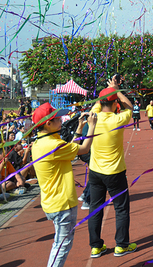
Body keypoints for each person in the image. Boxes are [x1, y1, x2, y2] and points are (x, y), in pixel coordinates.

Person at [31, 103, 95, 267]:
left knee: (61, 243)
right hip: (61, 203)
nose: (61, 121)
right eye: (57, 119)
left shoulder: (42, 141)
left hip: (52, 201)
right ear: (48, 124)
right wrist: (92, 127)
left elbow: (71, 147)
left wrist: (80, 127)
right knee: (62, 246)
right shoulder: (52, 145)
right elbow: (84, 149)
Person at [88, 76, 136, 258]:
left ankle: (95, 246)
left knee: (95, 207)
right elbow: (130, 107)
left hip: (95, 172)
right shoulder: (118, 119)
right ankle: (121, 245)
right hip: (115, 172)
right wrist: (117, 90)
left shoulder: (94, 116)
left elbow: (101, 104)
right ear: (116, 104)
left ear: (99, 103)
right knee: (121, 209)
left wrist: (111, 92)